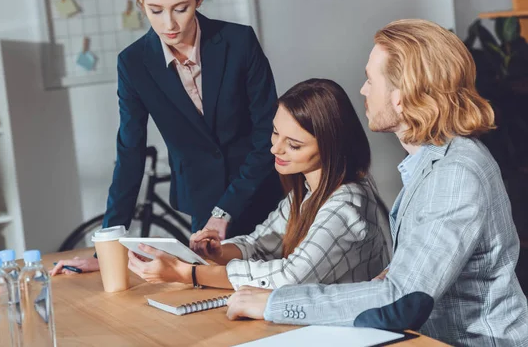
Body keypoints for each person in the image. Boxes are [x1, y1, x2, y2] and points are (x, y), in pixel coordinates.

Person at [224, 19, 528, 346]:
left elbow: (400, 300)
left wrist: (275, 303)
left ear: (401, 96)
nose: (363, 90)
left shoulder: (454, 175)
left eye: (370, 80)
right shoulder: (435, 164)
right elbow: (403, 283)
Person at [51, 0, 282, 276]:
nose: (169, 24)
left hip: (263, 192)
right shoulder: (133, 64)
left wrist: (226, 210)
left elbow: (267, 134)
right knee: (215, 296)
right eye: (156, 10)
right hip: (202, 202)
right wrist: (106, 253)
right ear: (141, 1)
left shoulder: (239, 42)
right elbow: (130, 153)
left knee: (272, 286)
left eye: (181, 8)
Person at [127, 79, 392, 290]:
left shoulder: (345, 206)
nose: (276, 148)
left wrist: (190, 273)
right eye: (275, 133)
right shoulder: (306, 193)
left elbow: (289, 277)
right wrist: (218, 251)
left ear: (331, 147)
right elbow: (260, 245)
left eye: (294, 144)